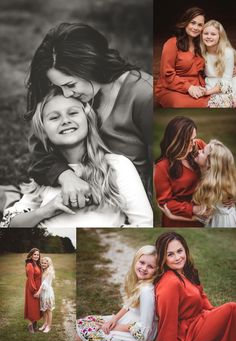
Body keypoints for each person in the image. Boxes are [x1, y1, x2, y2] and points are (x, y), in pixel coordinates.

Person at [26, 22, 153, 204]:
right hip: (70, 198)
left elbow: (162, 168)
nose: (67, 94)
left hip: (125, 203)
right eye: (59, 86)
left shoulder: (144, 95)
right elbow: (39, 148)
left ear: (92, 65)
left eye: (70, 85)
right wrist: (65, 176)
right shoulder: (69, 93)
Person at [1, 89, 153, 228]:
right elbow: (8, 223)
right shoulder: (44, 172)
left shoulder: (116, 166)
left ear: (88, 119)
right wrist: (46, 211)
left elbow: (144, 222)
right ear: (44, 131)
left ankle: (8, 194)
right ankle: (8, 195)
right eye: (54, 117)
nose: (65, 120)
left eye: (73, 113)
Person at [155, 232, 236, 341]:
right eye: (170, 254)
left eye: (179, 251)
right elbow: (168, 321)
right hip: (189, 335)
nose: (177, 257)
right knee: (232, 308)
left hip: (201, 321)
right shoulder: (170, 283)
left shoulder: (187, 271)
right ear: (162, 258)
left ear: (185, 250)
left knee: (229, 314)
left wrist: (215, 315)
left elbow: (202, 297)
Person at [76, 245, 157, 341]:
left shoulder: (147, 291)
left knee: (91, 332)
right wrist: (114, 319)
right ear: (136, 261)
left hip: (137, 335)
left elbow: (144, 332)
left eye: (150, 266)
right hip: (128, 321)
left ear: (156, 270)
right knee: (86, 321)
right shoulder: (139, 281)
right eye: (142, 262)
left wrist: (115, 327)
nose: (144, 268)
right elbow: (129, 305)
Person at [159, 140, 236, 227]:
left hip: (221, 223)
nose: (198, 151)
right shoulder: (218, 180)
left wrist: (172, 217)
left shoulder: (211, 187)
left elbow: (204, 216)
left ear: (210, 163)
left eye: (203, 152)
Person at [154, 116, 205, 227]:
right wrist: (195, 209)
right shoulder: (162, 167)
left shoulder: (199, 146)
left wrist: (228, 195)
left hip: (206, 210)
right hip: (180, 218)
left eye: (194, 138)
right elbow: (165, 203)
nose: (194, 143)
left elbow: (221, 167)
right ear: (177, 141)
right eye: (189, 141)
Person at [155, 7, 209, 108]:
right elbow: (167, 75)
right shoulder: (172, 43)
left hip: (197, 87)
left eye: (200, 25)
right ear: (185, 22)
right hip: (171, 88)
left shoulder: (202, 44)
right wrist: (188, 87)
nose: (195, 27)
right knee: (181, 105)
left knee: (214, 101)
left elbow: (212, 63)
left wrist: (228, 68)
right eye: (192, 23)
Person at [201, 20, 236, 107]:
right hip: (210, 84)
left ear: (220, 36)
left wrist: (207, 92)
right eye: (206, 33)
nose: (209, 37)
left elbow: (226, 81)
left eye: (213, 34)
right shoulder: (200, 51)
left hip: (228, 85)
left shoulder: (228, 52)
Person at [34, 256, 55, 333]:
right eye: (42, 263)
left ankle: (49, 326)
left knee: (48, 310)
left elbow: (44, 284)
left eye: (45, 263)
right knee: (43, 310)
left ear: (48, 264)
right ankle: (45, 323)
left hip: (47, 293)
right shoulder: (43, 270)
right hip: (43, 293)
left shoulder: (50, 272)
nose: (43, 264)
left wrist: (38, 292)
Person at [24, 248, 42, 333]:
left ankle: (35, 323)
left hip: (38, 287)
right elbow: (31, 279)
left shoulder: (37, 263)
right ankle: (30, 325)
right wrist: (34, 291)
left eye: (37, 255)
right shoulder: (30, 264)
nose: (36, 256)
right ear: (31, 255)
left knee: (37, 306)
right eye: (35, 254)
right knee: (32, 306)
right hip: (32, 288)